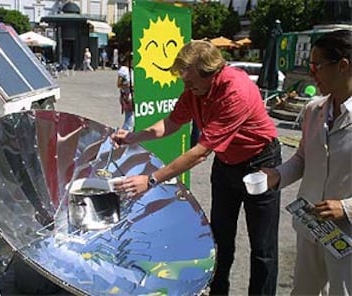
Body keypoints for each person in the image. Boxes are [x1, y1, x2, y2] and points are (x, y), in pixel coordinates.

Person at [112, 40, 282, 295]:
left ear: (211, 74)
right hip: (226, 164)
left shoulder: (235, 91)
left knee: (262, 249)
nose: (186, 87)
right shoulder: (195, 90)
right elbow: (171, 123)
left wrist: (151, 180)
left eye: (190, 82)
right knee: (220, 239)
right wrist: (133, 137)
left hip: (260, 165)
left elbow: (200, 152)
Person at [262, 29, 352, 295]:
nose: (312, 74)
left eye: (317, 66)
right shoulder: (314, 109)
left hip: (347, 235)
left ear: (344, 66)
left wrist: (346, 208)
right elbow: (303, 158)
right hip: (312, 225)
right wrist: (277, 175)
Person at [117, 53, 134, 131]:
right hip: (127, 96)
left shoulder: (132, 69)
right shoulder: (123, 69)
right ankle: (124, 133)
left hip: (133, 95)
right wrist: (129, 85)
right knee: (130, 118)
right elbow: (118, 84)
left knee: (132, 117)